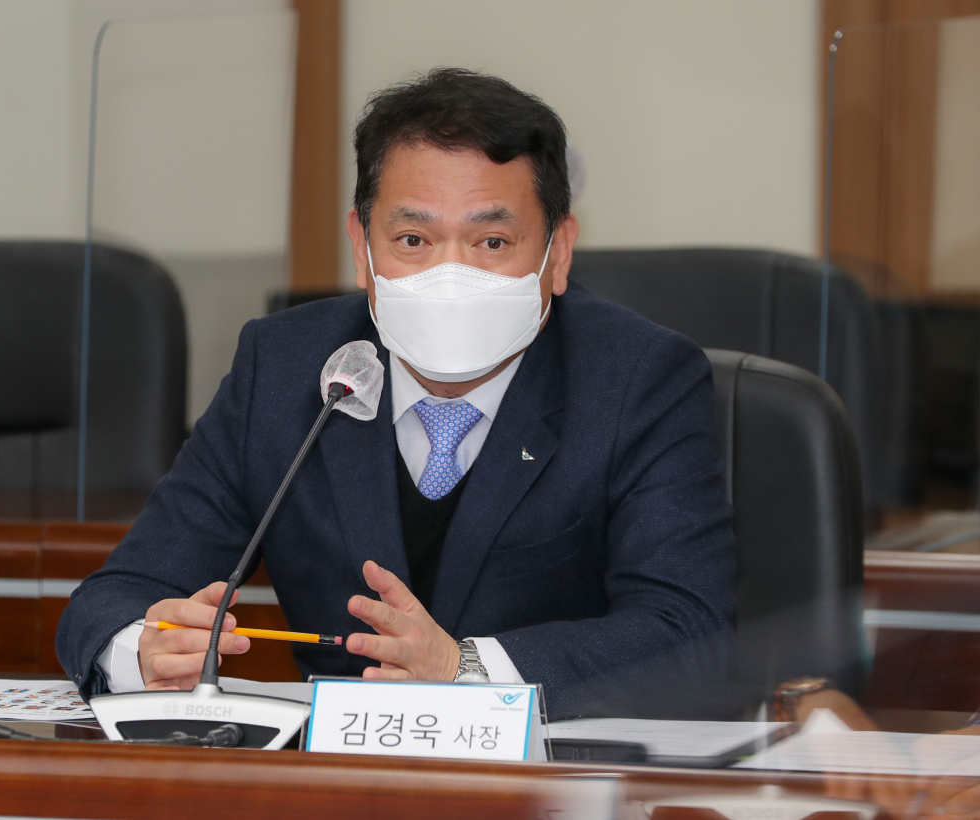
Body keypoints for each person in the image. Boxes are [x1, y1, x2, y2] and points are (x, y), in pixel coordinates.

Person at [57, 68, 735, 719]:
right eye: (412, 239)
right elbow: (114, 596)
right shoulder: (287, 367)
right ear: (362, 245)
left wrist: (464, 672)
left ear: (557, 253)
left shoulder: (638, 378)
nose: (450, 275)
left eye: (492, 241)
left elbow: (688, 633)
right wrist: (141, 651)